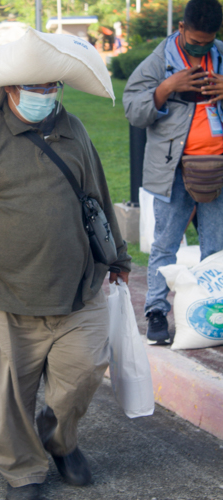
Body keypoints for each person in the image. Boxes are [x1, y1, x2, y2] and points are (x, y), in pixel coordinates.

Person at [0, 78, 131, 499]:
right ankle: (22, 469)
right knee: (10, 397)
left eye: (51, 85)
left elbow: (96, 193)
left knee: (81, 377)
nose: (43, 93)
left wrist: (117, 255)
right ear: (10, 86)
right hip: (5, 295)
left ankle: (59, 440)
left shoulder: (73, 128)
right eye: (33, 86)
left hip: (79, 290)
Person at [123, 0, 223, 345]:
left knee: (216, 247)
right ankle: (156, 312)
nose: (201, 47)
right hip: (173, 171)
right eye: (195, 41)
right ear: (181, 28)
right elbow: (133, 109)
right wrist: (167, 87)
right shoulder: (158, 61)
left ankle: (212, 314)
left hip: (217, 169)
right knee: (165, 244)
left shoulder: (221, 55)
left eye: (208, 42)